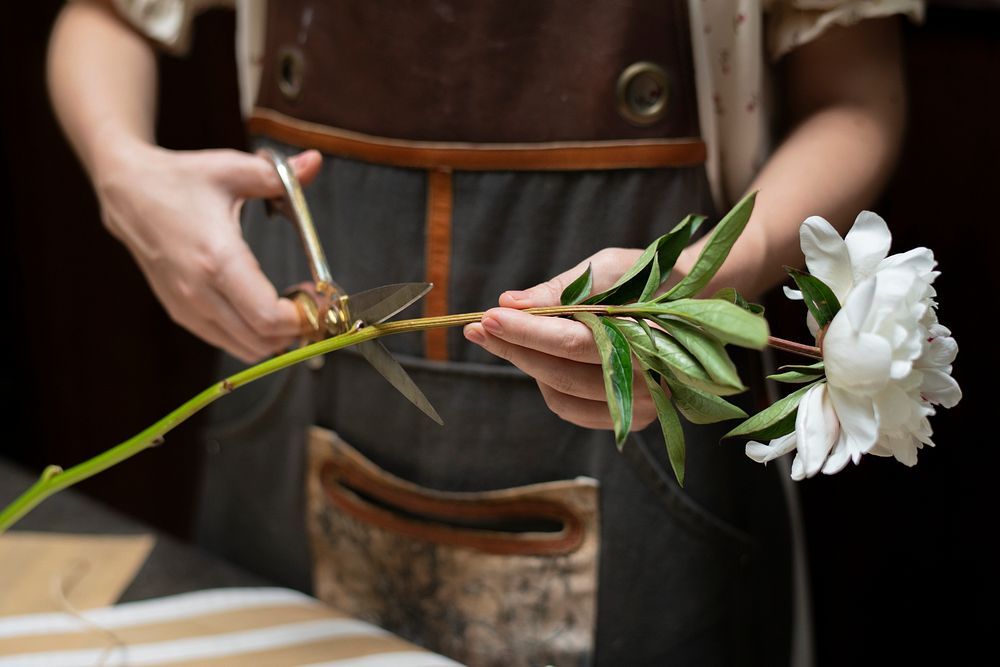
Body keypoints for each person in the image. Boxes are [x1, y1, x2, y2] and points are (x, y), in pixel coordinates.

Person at [47, 1, 920, 664]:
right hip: (292, 417)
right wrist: (124, 174)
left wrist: (723, 269)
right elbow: (102, 15)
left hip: (646, 459)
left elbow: (859, 91)